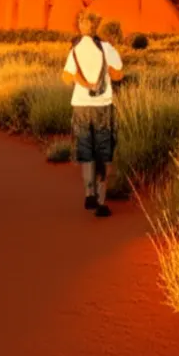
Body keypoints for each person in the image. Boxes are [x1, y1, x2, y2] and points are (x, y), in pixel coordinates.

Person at [61, 12, 124, 217]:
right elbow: (118, 74)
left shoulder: (75, 50)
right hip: (103, 106)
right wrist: (103, 76)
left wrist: (84, 82)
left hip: (80, 105)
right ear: (96, 26)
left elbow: (66, 77)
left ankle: (89, 193)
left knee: (86, 149)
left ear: (81, 27)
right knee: (104, 151)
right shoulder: (107, 49)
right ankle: (101, 202)